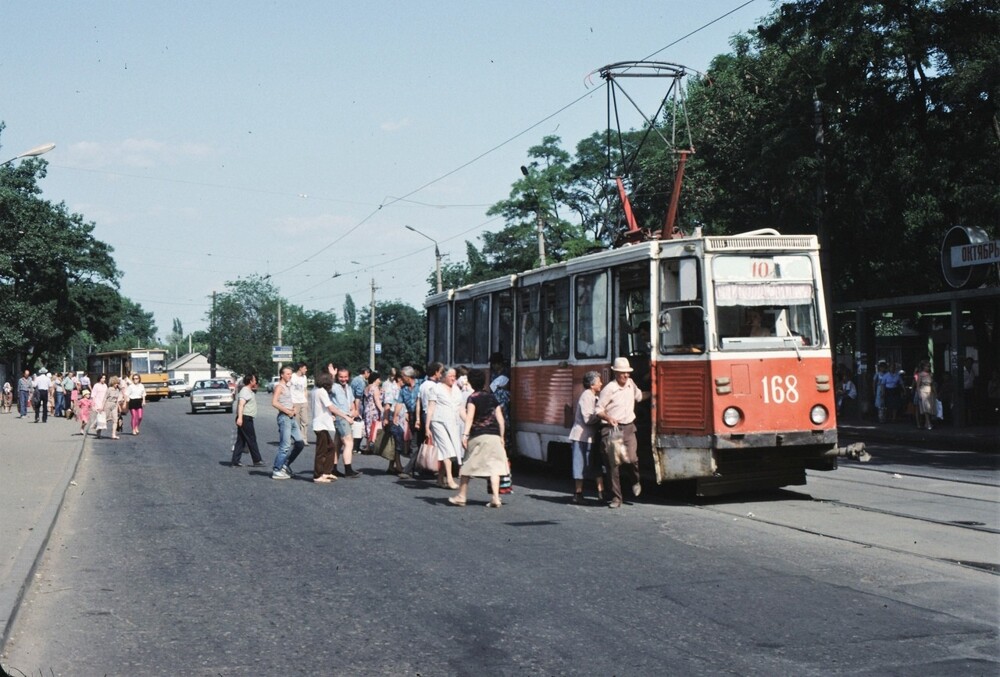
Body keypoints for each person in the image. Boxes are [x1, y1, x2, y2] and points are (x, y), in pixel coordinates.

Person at [448, 369, 508, 508]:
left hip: (478, 435)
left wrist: (465, 435)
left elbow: (469, 418)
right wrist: (502, 437)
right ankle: (495, 498)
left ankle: (461, 496)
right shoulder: (492, 398)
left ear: (471, 382)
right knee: (495, 468)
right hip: (494, 436)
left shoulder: (473, 398)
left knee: (467, 466)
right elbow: (501, 420)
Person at [596, 357, 647, 509]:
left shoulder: (631, 384)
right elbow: (598, 409)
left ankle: (635, 481)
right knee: (614, 465)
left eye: (627, 373)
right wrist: (608, 417)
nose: (626, 376)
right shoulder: (609, 389)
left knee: (632, 459)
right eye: (623, 373)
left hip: (629, 427)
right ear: (616, 373)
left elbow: (639, 396)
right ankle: (616, 498)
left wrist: (655, 394)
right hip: (614, 429)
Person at [569, 371, 605, 504]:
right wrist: (602, 416)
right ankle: (578, 493)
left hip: (591, 436)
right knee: (580, 465)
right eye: (599, 381)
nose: (601, 383)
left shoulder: (594, 396)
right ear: (591, 384)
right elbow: (587, 418)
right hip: (581, 437)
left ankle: (601, 492)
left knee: (596, 464)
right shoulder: (586, 396)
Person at [425, 367, 464, 489]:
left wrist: (469, 423)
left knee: (451, 451)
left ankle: (440, 478)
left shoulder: (457, 390)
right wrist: (427, 426)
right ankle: (450, 479)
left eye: (455, 376)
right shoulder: (436, 388)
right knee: (447, 450)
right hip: (438, 423)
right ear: (443, 377)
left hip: (453, 424)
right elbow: (431, 408)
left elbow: (461, 409)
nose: (453, 378)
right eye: (451, 376)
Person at [328, 367, 361, 478]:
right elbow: (329, 388)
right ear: (337, 377)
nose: (343, 379)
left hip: (347, 416)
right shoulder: (335, 387)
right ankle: (348, 469)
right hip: (340, 417)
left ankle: (333, 468)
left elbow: (351, 403)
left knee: (338, 443)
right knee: (349, 442)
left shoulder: (348, 388)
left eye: (345, 377)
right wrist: (332, 375)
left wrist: (353, 412)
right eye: (341, 377)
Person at [270, 365, 302, 480]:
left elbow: (289, 400)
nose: (289, 376)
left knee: (300, 443)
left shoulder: (288, 386)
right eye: (287, 374)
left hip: (291, 418)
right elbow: (274, 402)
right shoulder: (279, 387)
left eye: (290, 374)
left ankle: (285, 464)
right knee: (285, 446)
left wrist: (293, 409)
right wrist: (287, 411)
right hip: (284, 418)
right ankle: (276, 470)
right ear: (282, 375)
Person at [310, 371, 340, 482]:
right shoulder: (321, 392)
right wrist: (344, 416)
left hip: (321, 423)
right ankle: (318, 475)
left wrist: (329, 416)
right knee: (321, 451)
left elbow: (321, 408)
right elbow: (330, 407)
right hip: (320, 424)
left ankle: (327, 471)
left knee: (331, 447)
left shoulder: (315, 390)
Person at [231, 373, 265, 468]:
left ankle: (235, 460)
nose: (256, 381)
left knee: (241, 440)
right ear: (250, 381)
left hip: (246, 418)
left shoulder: (249, 390)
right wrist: (240, 418)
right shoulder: (245, 391)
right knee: (251, 439)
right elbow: (241, 405)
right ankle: (257, 460)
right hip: (245, 418)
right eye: (255, 380)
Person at [290, 362, 311, 446]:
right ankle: (297, 439)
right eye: (305, 368)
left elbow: (305, 389)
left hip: (303, 402)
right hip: (294, 402)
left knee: (305, 421)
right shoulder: (292, 377)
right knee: (296, 422)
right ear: (300, 368)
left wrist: (306, 401)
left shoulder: (304, 377)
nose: (306, 370)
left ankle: (304, 439)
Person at [914, 360, 937, 431]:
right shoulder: (920, 374)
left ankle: (927, 423)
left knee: (930, 408)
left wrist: (936, 393)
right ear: (923, 367)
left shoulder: (930, 374)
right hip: (923, 391)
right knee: (925, 408)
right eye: (927, 366)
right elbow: (918, 385)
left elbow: (932, 385)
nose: (928, 367)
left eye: (929, 366)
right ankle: (928, 422)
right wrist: (919, 394)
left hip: (930, 391)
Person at [362, 371, 383, 450]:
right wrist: (383, 410)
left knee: (368, 427)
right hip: (374, 410)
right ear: (375, 379)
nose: (380, 381)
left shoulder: (367, 387)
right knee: (374, 427)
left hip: (367, 409)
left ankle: (367, 446)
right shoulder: (375, 388)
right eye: (379, 379)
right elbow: (377, 401)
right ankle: (374, 446)